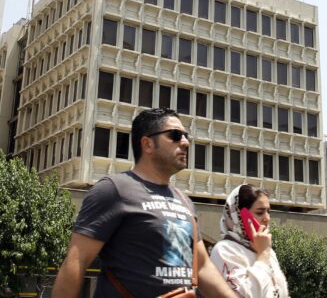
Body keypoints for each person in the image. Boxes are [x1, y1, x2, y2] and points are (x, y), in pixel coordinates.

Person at [52, 108, 237, 298]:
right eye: (175, 135)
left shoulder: (184, 201)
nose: (185, 142)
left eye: (185, 136)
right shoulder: (114, 189)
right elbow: (77, 260)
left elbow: (203, 267)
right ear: (147, 144)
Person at [210, 184, 290, 297]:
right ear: (239, 216)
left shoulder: (268, 251)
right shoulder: (224, 250)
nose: (267, 218)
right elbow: (248, 294)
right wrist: (262, 256)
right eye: (260, 212)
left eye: (268, 212)